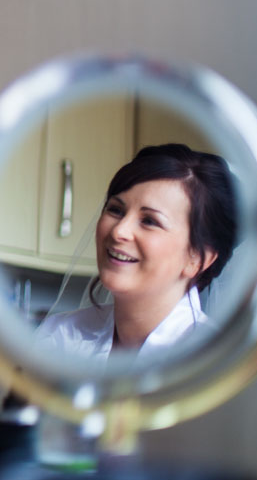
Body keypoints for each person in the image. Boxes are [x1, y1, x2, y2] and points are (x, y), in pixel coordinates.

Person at [36, 143, 238, 362]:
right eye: (115, 209)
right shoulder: (59, 335)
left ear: (197, 259)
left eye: (150, 221)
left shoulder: (215, 360)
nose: (119, 230)